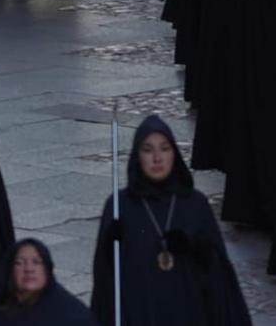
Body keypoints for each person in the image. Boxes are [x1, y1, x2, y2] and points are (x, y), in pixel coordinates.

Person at [89, 116, 249, 325]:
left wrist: (194, 247)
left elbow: (219, 276)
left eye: (164, 149)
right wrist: (110, 246)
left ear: (174, 153)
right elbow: (105, 281)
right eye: (148, 150)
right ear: (138, 156)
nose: (157, 158)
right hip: (140, 311)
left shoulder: (195, 204)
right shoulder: (120, 207)